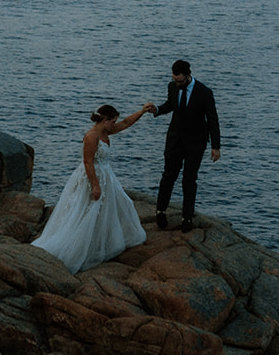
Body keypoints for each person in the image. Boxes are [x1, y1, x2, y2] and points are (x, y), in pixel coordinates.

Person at [31, 102, 154, 273]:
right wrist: (95, 185)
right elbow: (88, 162)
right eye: (112, 121)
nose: (114, 125)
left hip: (106, 176)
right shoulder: (92, 136)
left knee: (115, 207)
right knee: (86, 212)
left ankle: (99, 242)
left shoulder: (106, 130)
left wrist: (142, 112)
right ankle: (79, 247)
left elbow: (125, 123)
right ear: (104, 120)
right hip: (92, 177)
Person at [151, 60, 221, 231]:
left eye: (180, 81)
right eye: (175, 80)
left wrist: (216, 146)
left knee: (189, 180)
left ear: (188, 75)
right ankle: (160, 211)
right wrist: (157, 110)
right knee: (168, 175)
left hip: (195, 143)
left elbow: (212, 119)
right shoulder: (172, 86)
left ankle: (187, 218)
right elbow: (171, 105)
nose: (178, 84)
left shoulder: (204, 93)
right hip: (174, 139)